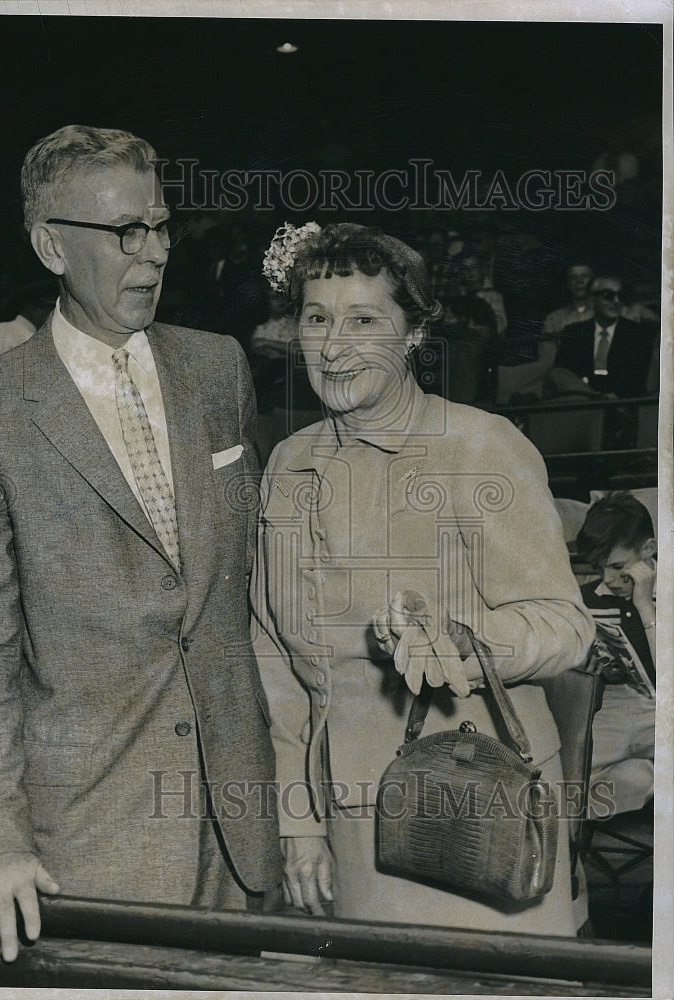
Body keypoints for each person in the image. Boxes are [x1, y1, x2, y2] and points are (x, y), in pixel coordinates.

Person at [0, 125, 281, 963]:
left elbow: (238, 593)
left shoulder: (219, 368)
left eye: (158, 226)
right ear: (49, 245)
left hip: (240, 834)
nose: (150, 256)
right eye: (123, 233)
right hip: (86, 840)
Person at [251, 222, 594, 935]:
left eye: (365, 320)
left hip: (473, 807)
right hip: (347, 818)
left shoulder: (479, 446)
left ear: (411, 335)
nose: (336, 344)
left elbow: (566, 627)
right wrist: (297, 820)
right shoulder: (288, 464)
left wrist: (467, 644)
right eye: (318, 319)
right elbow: (275, 662)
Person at [575, 493, 656, 815]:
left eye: (618, 567)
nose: (608, 579)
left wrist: (644, 605)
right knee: (564, 782)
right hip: (613, 707)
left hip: (663, 710)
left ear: (648, 551)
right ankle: (638, 778)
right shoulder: (588, 598)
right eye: (600, 568)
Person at [549, 276, 657, 398]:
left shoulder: (638, 332)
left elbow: (636, 377)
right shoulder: (574, 331)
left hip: (622, 401)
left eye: (620, 296)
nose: (616, 301)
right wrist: (596, 395)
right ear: (591, 300)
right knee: (557, 374)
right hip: (583, 400)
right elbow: (564, 371)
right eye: (608, 295)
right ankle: (599, 400)